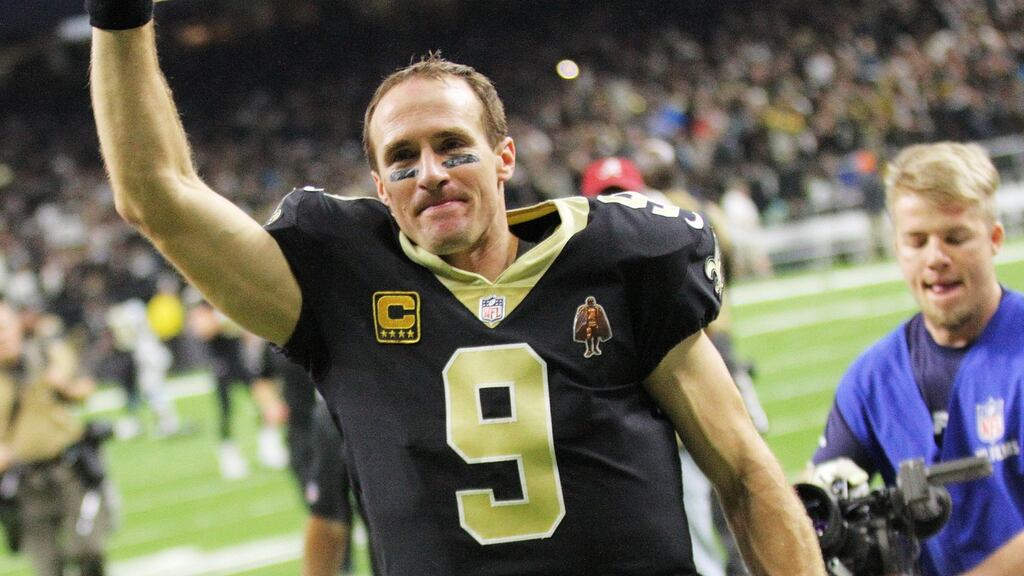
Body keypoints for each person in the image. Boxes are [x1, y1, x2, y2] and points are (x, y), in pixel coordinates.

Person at [88, 4, 823, 574]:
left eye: (451, 145)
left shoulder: (621, 261)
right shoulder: (340, 286)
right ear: (379, 186)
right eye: (402, 158)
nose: (430, 171)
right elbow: (156, 195)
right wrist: (121, 17)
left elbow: (746, 475)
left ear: (504, 157)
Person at [811, 142, 1024, 576]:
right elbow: (815, 506)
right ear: (897, 248)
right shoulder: (872, 378)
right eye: (917, 241)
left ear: (995, 239)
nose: (936, 258)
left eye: (955, 237)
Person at [0, 301, 113, 576]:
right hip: (24, 482)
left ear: (19, 327)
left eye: (3, 328)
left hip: (69, 470)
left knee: (88, 549)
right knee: (48, 565)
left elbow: (85, 386)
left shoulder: (46, 354)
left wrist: (65, 385)